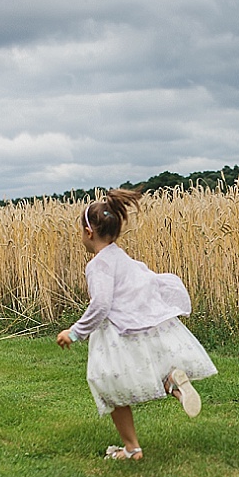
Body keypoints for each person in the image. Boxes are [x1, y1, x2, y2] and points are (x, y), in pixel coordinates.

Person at [56, 189, 217, 461]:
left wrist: (75, 332)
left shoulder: (98, 265)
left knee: (109, 386)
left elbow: (101, 304)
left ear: (88, 232)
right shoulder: (124, 258)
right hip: (139, 325)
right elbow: (146, 282)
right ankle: (173, 384)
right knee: (147, 369)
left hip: (117, 332)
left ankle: (132, 448)